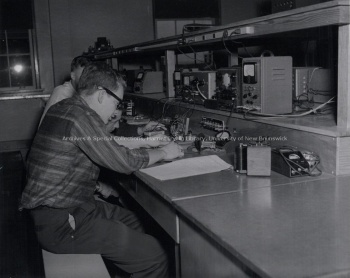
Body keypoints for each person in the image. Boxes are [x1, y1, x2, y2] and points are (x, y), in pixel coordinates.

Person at [19, 62, 184, 277]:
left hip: (72, 207)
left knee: (136, 222)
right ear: (100, 94)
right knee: (154, 256)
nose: (116, 110)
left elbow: (105, 143)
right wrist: (164, 153)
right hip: (60, 223)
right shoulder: (81, 117)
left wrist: (146, 144)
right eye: (117, 103)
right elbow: (123, 162)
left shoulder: (66, 107)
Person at [39, 56, 91, 126]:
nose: (86, 79)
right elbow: (45, 124)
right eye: (83, 75)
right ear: (73, 76)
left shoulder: (86, 92)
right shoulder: (61, 92)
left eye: (89, 75)